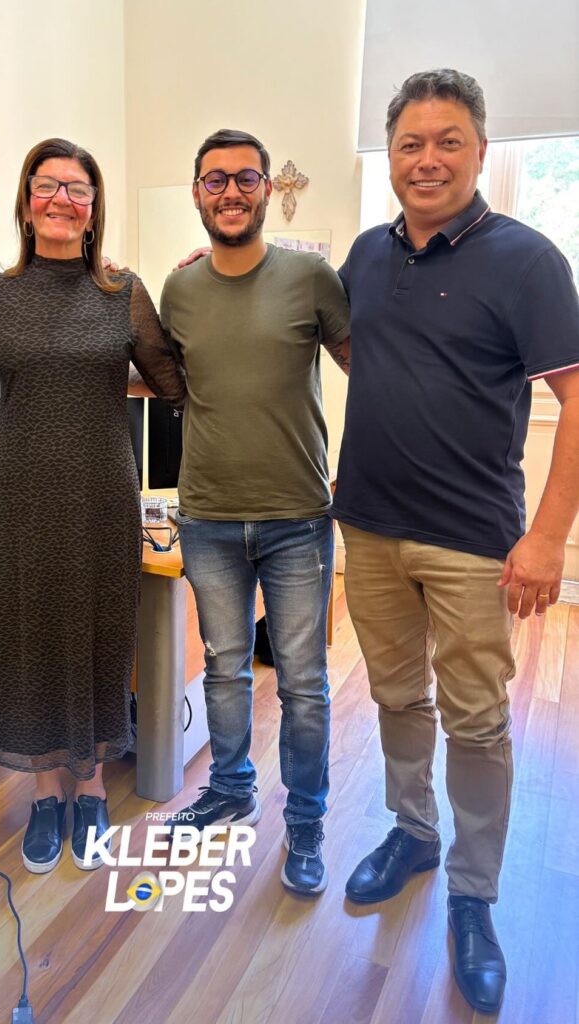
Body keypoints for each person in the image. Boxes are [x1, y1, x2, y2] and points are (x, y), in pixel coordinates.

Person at [333, 69, 579, 1013]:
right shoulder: (366, 254)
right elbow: (353, 346)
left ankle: (472, 895)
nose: (426, 159)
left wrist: (547, 536)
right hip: (369, 525)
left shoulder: (526, 260)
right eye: (409, 143)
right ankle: (412, 832)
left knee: (475, 720)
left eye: (447, 142)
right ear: (390, 156)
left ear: (479, 151)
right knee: (396, 696)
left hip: (474, 541)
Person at [0, 138, 185, 875]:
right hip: (19, 494)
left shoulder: (124, 293)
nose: (62, 198)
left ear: (94, 209)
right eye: (47, 185)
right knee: (26, 635)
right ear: (26, 202)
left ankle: (90, 786)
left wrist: (196, 285)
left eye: (78, 189)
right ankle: (46, 791)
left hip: (101, 490)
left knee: (99, 632)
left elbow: (171, 382)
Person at [161, 129, 351, 895]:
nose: (230, 192)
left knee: (303, 684)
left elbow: (372, 370)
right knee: (223, 671)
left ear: (267, 189)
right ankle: (229, 790)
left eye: (246, 178)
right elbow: (170, 382)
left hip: (297, 516)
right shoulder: (178, 289)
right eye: (215, 179)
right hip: (206, 517)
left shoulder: (311, 278)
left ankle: (304, 820)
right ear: (196, 193)